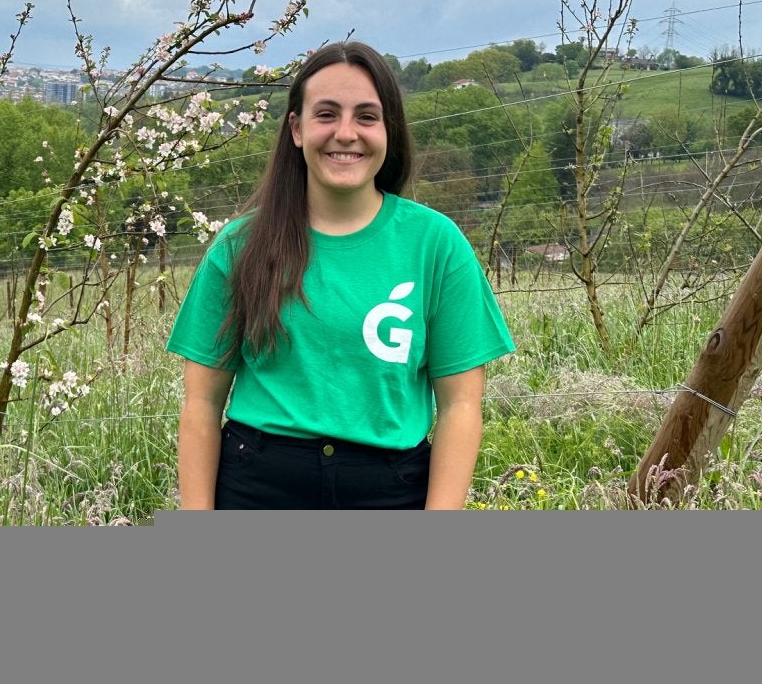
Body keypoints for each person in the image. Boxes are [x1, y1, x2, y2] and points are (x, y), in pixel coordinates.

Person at [166, 41, 514, 509]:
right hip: (255, 490)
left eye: (366, 116)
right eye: (326, 114)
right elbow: (201, 405)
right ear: (296, 128)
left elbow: (461, 407)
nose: (345, 133)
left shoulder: (436, 244)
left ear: (389, 130)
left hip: (392, 493)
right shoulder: (238, 246)